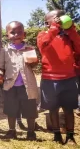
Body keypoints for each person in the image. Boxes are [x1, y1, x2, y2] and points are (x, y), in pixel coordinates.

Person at [37, 10, 80, 145]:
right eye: (56, 18)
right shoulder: (43, 35)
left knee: (68, 108)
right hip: (50, 79)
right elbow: (43, 46)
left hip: (69, 78)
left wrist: (72, 31)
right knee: (53, 108)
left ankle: (70, 135)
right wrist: (54, 29)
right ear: (47, 22)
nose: (59, 20)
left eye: (61, 17)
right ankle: (56, 135)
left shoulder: (69, 36)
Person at [0, 21, 38, 140]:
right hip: (10, 85)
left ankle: (31, 132)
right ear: (7, 35)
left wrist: (34, 61)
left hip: (27, 86)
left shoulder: (29, 48)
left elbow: (34, 65)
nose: (16, 35)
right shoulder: (4, 50)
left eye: (19, 32)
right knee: (11, 109)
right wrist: (0, 75)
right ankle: (11, 131)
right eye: (12, 32)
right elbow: (1, 66)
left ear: (24, 34)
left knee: (30, 110)